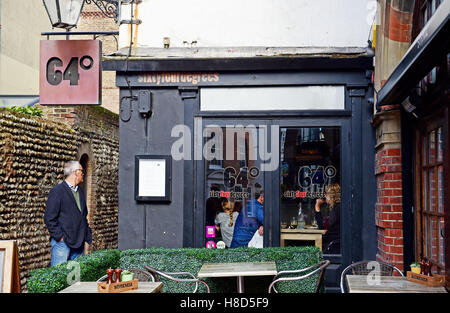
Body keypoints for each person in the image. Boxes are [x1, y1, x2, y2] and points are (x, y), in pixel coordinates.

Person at [44, 160, 92, 266]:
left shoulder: (80, 192)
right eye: (81, 171)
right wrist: (60, 237)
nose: (83, 174)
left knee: (74, 279)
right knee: (58, 277)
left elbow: (82, 215)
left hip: (79, 243)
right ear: (75, 172)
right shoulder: (57, 191)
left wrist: (86, 235)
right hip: (62, 243)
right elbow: (49, 218)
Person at [314, 183, 341, 254]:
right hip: (335, 242)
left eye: (326, 194)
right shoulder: (338, 207)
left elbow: (322, 227)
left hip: (332, 244)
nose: (325, 196)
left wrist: (317, 207)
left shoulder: (336, 209)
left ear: (331, 196)